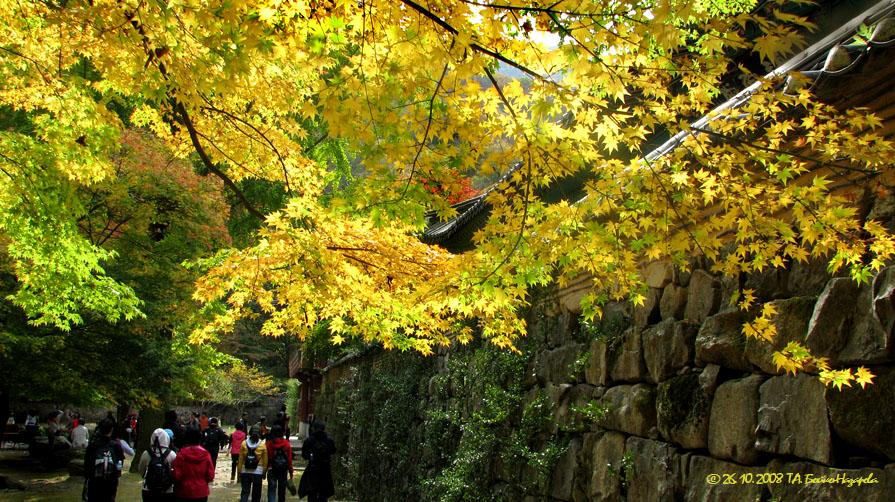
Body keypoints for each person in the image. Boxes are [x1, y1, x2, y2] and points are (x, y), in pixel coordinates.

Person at [84, 418, 125, 502]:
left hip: (94, 481)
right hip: (110, 481)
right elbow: (120, 462)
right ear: (111, 430)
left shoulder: (93, 446)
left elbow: (87, 464)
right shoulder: (115, 445)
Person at [172, 427, 214, 502]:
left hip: (184, 491)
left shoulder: (181, 454)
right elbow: (210, 475)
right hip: (201, 491)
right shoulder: (206, 454)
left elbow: (177, 475)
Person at [298, 421, 336, 502]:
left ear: (314, 428)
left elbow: (304, 455)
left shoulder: (309, 440)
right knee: (323, 493)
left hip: (313, 468)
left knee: (312, 492)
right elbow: (333, 450)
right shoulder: (329, 440)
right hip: (325, 469)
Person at [138, 428, 177, 502]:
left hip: (149, 489)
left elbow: (141, 469)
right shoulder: (171, 454)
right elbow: (175, 470)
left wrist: (146, 477)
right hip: (167, 490)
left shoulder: (146, 453)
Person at [238, 425, 268, 502]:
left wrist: (239, 472)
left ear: (250, 433)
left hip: (245, 471)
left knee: (245, 492)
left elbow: (240, 459)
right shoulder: (262, 445)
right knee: (256, 494)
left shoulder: (244, 443)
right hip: (258, 472)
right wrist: (264, 472)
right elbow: (265, 461)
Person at [266, 425, 293, 502]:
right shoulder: (286, 444)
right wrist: (291, 471)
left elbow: (265, 458)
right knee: (282, 491)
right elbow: (289, 458)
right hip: (283, 469)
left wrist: (264, 470)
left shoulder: (268, 444)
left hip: (271, 468)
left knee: (271, 490)